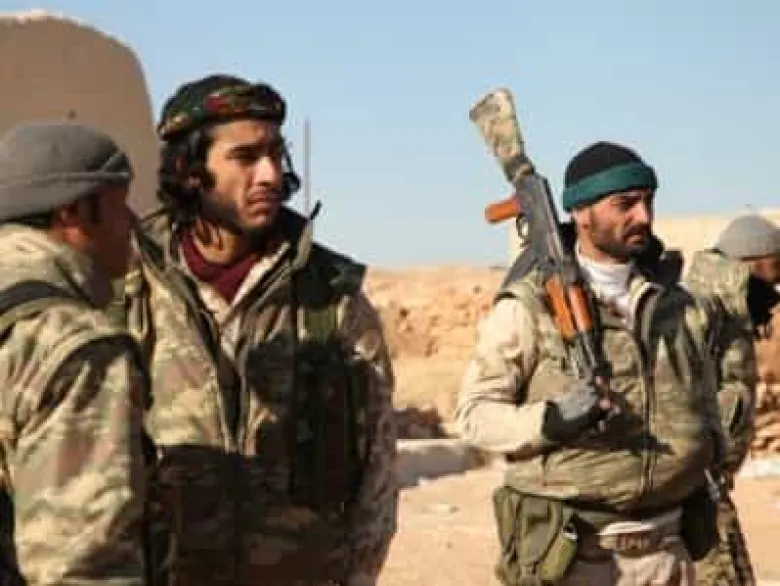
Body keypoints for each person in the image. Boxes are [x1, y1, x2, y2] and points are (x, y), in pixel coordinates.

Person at [120, 73, 398, 585]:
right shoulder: (128, 286)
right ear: (189, 171)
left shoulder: (331, 296)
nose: (270, 174)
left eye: (275, 153)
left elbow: (376, 474)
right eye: (245, 157)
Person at [456, 141, 729, 586]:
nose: (644, 216)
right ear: (581, 213)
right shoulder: (530, 307)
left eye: (648, 201)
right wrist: (550, 421)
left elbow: (705, 403)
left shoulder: (677, 305)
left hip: (668, 552)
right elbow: (474, 416)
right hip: (574, 556)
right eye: (625, 204)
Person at [0, 123, 149, 585]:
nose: (133, 223)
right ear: (75, 211)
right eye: (121, 205)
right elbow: (82, 564)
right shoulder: (78, 347)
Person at [686, 213, 780, 586]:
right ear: (752, 263)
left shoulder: (735, 313)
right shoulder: (700, 309)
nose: (776, 285)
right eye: (776, 268)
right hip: (692, 492)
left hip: (713, 488)